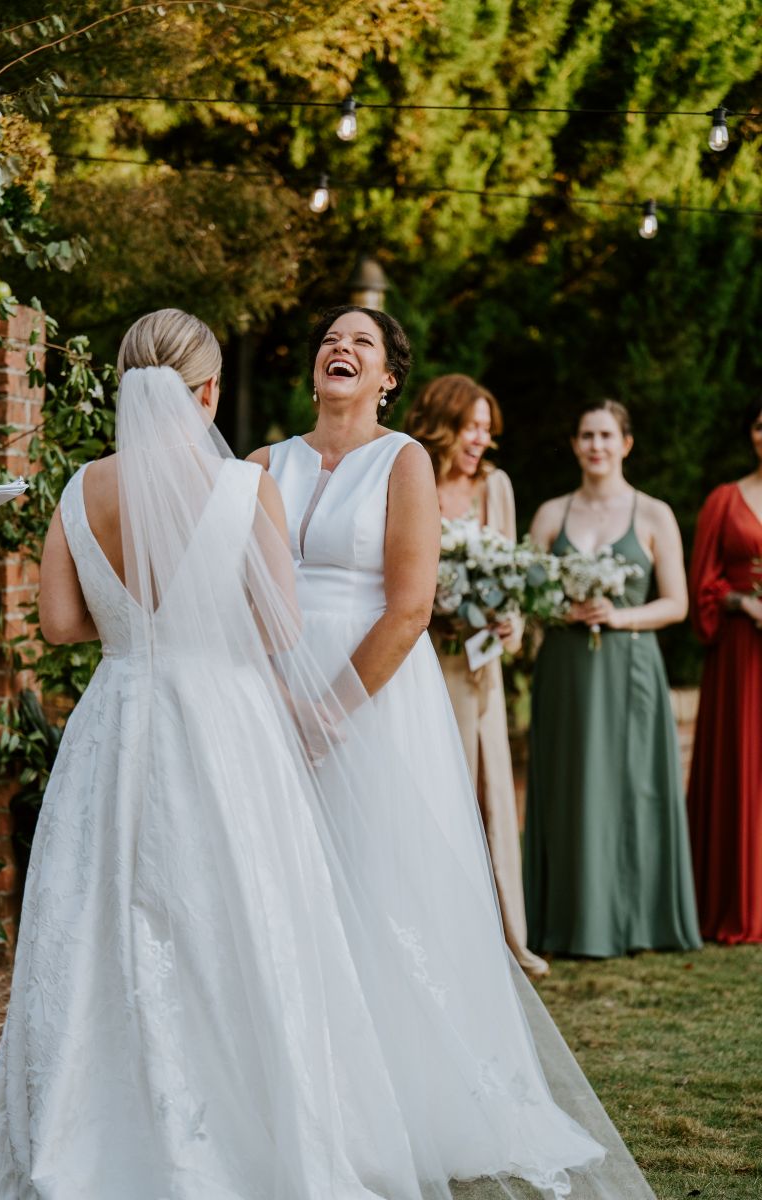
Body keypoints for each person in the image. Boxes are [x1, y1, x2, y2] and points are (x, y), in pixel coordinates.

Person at [0, 309, 448, 1199]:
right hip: (223, 720)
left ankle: (97, 1129)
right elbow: (282, 624)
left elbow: (63, 624)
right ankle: (244, 1127)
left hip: (115, 722)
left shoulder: (80, 490)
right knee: (238, 921)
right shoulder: (243, 487)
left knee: (101, 922)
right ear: (209, 392)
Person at [249, 310, 657, 1198]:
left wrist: (326, 712)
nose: (340, 348)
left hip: (372, 704)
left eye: (361, 341)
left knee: (377, 882)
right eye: (330, 338)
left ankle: (390, 1098)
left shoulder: (403, 463)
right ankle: (299, 1090)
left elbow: (408, 606)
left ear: (389, 376)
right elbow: (228, 582)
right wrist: (271, 698)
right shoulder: (259, 464)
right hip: (266, 697)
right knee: (283, 887)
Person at [525, 400, 702, 958]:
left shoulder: (654, 515)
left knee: (633, 789)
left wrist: (617, 615)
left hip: (630, 667)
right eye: (586, 435)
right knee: (568, 785)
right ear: (575, 445)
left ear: (626, 444)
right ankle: (565, 920)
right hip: (566, 669)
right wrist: (560, 609)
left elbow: (677, 604)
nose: (595, 445)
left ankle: (636, 921)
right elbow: (526, 597)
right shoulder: (552, 514)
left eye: (606, 435)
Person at [404, 373, 547, 979]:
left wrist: (510, 623)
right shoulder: (408, 476)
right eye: (472, 427)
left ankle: (508, 934)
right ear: (445, 424)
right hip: (423, 655)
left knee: (489, 792)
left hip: (481, 664)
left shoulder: (496, 486)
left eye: (488, 430)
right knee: (435, 790)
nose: (482, 440)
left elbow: (509, 566)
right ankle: (439, 931)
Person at [687, 399, 762, 943]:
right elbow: (700, 584)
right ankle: (735, 902)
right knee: (743, 762)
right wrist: (738, 603)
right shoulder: (723, 500)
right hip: (740, 649)